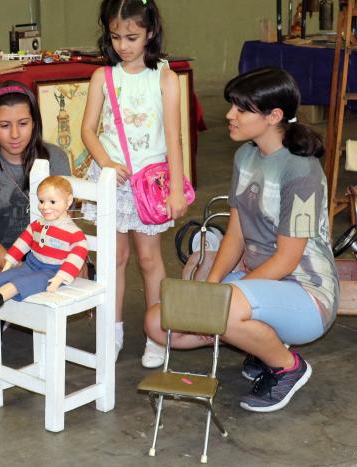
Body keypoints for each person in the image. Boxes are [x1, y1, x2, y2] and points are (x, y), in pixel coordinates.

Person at [144, 67, 339, 412]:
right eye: (232, 105)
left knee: (225, 309)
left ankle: (287, 366)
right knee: (158, 323)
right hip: (255, 285)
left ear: (273, 116)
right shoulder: (245, 156)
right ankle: (258, 342)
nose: (229, 115)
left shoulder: (301, 171)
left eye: (241, 108)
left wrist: (224, 302)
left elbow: (287, 260)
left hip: (306, 293)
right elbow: (235, 233)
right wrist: (213, 286)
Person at [80, 0, 188, 365]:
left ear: (150, 33)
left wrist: (177, 187)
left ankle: (157, 333)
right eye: (115, 37)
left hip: (150, 182)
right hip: (112, 181)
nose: (123, 45)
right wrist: (106, 163)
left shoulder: (165, 77)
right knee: (114, 257)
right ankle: (112, 330)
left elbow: (173, 137)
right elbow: (88, 130)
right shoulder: (102, 77)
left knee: (149, 258)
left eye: (132, 37)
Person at [0, 80, 70, 352]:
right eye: (4, 126)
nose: (15, 134)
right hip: (1, 254)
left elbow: (69, 223)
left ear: (35, 123)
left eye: (23, 123)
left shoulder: (55, 157)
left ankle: (21, 311)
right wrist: (17, 268)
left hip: (49, 257)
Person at [0, 176, 88, 313]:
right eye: (41, 201)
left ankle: (0, 296)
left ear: (68, 201)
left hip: (52, 271)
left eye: (52, 202)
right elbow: (24, 241)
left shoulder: (73, 232)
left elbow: (77, 255)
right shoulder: (38, 224)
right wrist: (10, 260)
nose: (45, 207)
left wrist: (61, 277)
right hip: (31, 264)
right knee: (5, 275)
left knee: (23, 282)